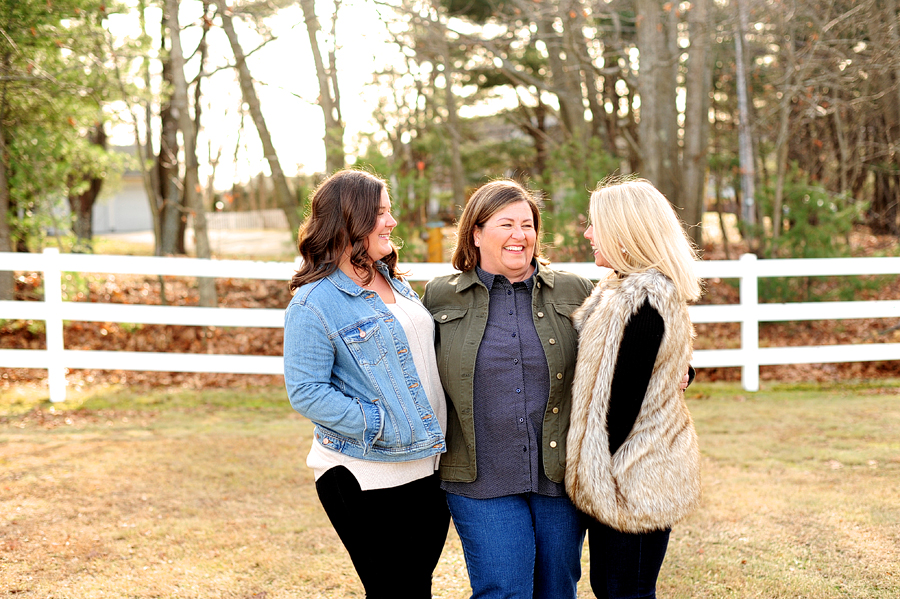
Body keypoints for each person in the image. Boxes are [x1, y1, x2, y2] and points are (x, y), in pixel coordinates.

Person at [422, 179, 595, 599]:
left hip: (560, 477)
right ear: (476, 234)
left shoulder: (575, 290)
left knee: (557, 590)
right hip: (478, 476)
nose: (520, 235)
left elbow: (620, 349)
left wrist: (679, 366)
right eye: (506, 224)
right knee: (504, 590)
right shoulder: (440, 296)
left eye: (528, 225)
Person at [283, 169, 449, 599]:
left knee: (417, 587)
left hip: (426, 465)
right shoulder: (314, 302)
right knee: (397, 591)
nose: (391, 222)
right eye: (380, 213)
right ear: (348, 220)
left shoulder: (394, 280)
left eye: (389, 211)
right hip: (365, 471)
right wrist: (380, 421)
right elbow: (306, 391)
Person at [565, 177, 703, 599]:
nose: (588, 234)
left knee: (626, 591)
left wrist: (593, 473)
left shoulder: (645, 296)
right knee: (611, 586)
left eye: (595, 225)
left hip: (637, 475)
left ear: (626, 232)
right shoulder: (617, 289)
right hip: (621, 472)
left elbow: (621, 402)